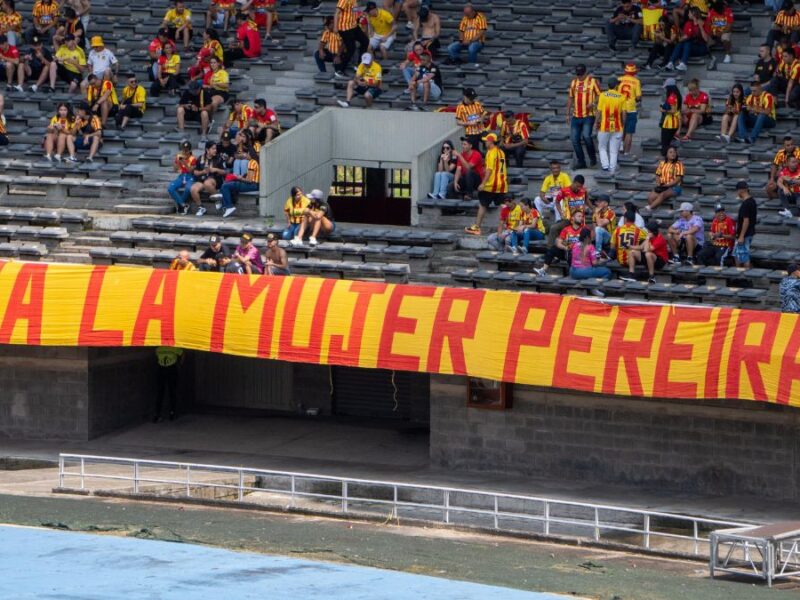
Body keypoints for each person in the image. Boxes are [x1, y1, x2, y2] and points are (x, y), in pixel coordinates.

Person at [465, 133, 506, 236]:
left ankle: (477, 227)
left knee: (482, 205)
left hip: (490, 185)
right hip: (501, 184)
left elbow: (489, 170)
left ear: (491, 141)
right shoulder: (501, 152)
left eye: (486, 141)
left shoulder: (490, 153)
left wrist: (483, 183)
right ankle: (507, 227)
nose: (484, 142)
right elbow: (500, 169)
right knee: (503, 206)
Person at [534, 210, 588, 276]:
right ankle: (543, 270)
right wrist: (565, 247)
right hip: (566, 252)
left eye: (582, 216)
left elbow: (588, 243)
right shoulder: (566, 229)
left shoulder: (584, 229)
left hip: (578, 253)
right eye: (579, 216)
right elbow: (559, 242)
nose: (581, 218)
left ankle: (574, 274)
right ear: (573, 218)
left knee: (571, 252)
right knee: (553, 249)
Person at [567, 65, 600, 170]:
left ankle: (592, 158)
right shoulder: (574, 82)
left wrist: (593, 103)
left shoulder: (593, 82)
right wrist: (567, 114)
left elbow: (600, 95)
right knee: (574, 139)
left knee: (586, 136)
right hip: (576, 116)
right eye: (578, 74)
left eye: (581, 74)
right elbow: (570, 98)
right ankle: (581, 162)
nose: (579, 76)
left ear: (586, 73)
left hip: (588, 115)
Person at [213, 150, 260, 218]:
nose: (245, 155)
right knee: (226, 184)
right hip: (252, 184)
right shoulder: (253, 162)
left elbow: (249, 180)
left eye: (246, 154)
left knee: (225, 186)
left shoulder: (252, 162)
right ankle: (223, 203)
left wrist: (239, 178)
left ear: (250, 154)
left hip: (252, 185)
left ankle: (228, 206)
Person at [594, 76, 626, 173]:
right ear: (616, 85)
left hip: (604, 126)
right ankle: (612, 170)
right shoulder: (622, 97)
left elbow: (599, 111)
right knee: (614, 151)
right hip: (617, 127)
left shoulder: (603, 95)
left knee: (602, 147)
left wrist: (596, 122)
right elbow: (624, 114)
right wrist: (623, 125)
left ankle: (605, 166)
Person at [621, 220, 668, 284]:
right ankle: (631, 274)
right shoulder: (649, 236)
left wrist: (647, 239)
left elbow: (647, 250)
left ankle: (651, 276)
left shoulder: (659, 239)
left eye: (648, 230)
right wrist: (629, 246)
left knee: (648, 254)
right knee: (632, 252)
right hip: (650, 258)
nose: (647, 231)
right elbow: (640, 247)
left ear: (652, 231)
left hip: (660, 261)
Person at [547, 175, 588, 246]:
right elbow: (557, 202)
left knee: (586, 233)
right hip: (568, 219)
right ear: (574, 182)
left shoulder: (583, 190)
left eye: (580, 187)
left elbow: (587, 199)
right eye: (577, 186)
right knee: (554, 228)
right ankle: (550, 250)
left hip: (580, 219)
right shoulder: (564, 191)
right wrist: (561, 213)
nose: (579, 188)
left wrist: (593, 208)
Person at [666, 7, 709, 71]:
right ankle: (671, 63)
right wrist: (681, 39)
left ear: (693, 14)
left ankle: (682, 63)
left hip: (701, 47)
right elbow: (684, 37)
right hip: (690, 46)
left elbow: (706, 40)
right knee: (682, 43)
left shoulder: (703, 23)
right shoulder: (688, 23)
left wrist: (701, 27)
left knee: (687, 42)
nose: (688, 14)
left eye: (689, 13)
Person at [188, 143, 225, 216]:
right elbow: (195, 172)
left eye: (215, 149)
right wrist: (203, 172)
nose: (215, 150)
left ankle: (218, 200)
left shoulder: (219, 158)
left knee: (207, 183)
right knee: (193, 189)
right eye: (213, 149)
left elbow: (224, 172)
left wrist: (216, 169)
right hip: (202, 179)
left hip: (214, 179)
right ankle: (201, 207)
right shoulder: (201, 158)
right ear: (207, 150)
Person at [736, 78, 776, 144]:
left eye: (754, 91)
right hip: (756, 118)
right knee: (741, 113)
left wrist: (753, 109)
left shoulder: (768, 96)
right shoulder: (750, 97)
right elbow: (746, 107)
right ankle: (743, 137)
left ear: (760, 88)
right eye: (751, 91)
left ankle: (752, 138)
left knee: (762, 115)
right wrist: (746, 109)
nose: (752, 93)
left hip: (770, 120)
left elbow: (767, 112)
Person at [335, 0, 369, 73]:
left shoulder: (354, 1)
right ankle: (340, 70)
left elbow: (354, 11)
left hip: (354, 26)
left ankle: (359, 65)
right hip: (345, 28)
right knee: (351, 49)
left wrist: (361, 13)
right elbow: (337, 13)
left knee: (365, 41)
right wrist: (335, 27)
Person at [647, 146, 684, 210]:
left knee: (663, 194)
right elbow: (657, 175)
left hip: (675, 187)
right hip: (662, 186)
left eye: (674, 152)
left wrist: (667, 185)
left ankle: (649, 208)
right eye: (670, 152)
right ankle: (656, 215)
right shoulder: (662, 163)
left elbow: (678, 179)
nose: (673, 154)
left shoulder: (679, 164)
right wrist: (658, 183)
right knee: (650, 197)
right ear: (666, 154)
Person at [535, 160, 571, 226]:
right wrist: (543, 198)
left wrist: (559, 196)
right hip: (552, 201)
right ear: (551, 169)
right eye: (554, 168)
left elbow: (569, 191)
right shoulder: (548, 178)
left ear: (560, 168)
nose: (556, 170)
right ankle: (540, 219)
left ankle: (558, 221)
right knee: (537, 199)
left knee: (559, 201)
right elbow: (542, 192)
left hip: (562, 201)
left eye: (557, 168)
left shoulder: (564, 176)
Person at [154, 346, 183, 422]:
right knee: (169, 392)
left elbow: (156, 356)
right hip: (167, 369)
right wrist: (180, 364)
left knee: (164, 392)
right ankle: (168, 413)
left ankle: (162, 414)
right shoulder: (170, 348)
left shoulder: (160, 348)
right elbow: (182, 353)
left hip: (165, 369)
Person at [612, 209, 646, 275]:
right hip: (633, 260)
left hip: (620, 260)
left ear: (625, 219)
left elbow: (612, 247)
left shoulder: (617, 230)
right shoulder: (639, 231)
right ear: (634, 219)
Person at [618, 64, 641, 156]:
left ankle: (619, 148)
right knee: (629, 132)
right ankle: (626, 153)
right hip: (631, 109)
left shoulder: (619, 79)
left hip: (619, 108)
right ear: (634, 72)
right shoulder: (636, 81)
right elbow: (638, 97)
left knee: (620, 129)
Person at [167, 141, 196, 213]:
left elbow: (191, 171)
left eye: (186, 150)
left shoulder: (193, 158)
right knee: (171, 188)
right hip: (181, 176)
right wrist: (177, 162)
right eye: (183, 150)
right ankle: (183, 205)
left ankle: (179, 205)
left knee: (188, 189)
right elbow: (175, 169)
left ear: (189, 150)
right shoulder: (179, 156)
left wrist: (185, 163)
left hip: (190, 176)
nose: (184, 152)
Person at [705, 0, 733, 69]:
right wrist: (712, 33)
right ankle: (711, 58)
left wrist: (721, 33)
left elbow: (729, 26)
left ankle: (727, 55)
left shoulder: (728, 11)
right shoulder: (711, 11)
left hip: (724, 32)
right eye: (722, 7)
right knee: (706, 40)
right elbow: (708, 25)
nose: (724, 8)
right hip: (714, 33)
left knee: (725, 37)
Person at [734, 181, 756, 268]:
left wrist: (741, 236)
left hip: (745, 235)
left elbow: (746, 220)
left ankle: (745, 279)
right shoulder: (752, 201)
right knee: (737, 255)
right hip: (749, 233)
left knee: (744, 257)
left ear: (740, 190)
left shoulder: (746, 204)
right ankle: (741, 277)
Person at [660, 78, 682, 156]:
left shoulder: (672, 97)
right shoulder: (677, 95)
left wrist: (663, 110)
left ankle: (666, 161)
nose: (666, 89)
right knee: (669, 145)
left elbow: (673, 111)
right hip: (674, 122)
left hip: (669, 124)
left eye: (666, 87)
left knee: (665, 145)